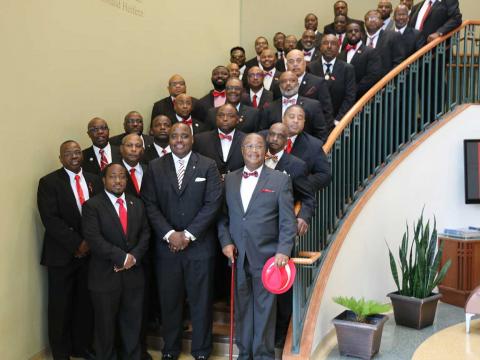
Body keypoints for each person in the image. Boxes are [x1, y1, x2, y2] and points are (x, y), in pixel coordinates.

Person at [141, 123, 223, 360]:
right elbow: (149, 203)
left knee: (201, 302)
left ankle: (201, 350)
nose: (178, 140)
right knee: (169, 303)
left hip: (199, 247)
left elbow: (213, 204)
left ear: (192, 139)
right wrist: (170, 234)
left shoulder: (207, 165)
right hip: (166, 248)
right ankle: (170, 349)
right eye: (174, 136)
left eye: (184, 136)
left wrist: (187, 235)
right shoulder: (155, 167)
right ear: (169, 139)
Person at [218, 133, 297, 360]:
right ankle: (245, 354)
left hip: (268, 258)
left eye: (259, 146)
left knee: (264, 310)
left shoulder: (280, 180)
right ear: (242, 150)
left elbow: (287, 221)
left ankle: (263, 355)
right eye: (249, 146)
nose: (254, 150)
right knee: (242, 309)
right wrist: (225, 242)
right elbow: (223, 217)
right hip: (237, 256)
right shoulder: (230, 180)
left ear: (266, 151)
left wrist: (283, 250)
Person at [37, 140, 102, 360]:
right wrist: (77, 243)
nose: (74, 156)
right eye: (68, 153)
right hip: (61, 256)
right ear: (60, 158)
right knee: (60, 307)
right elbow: (51, 219)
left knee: (85, 305)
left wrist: (90, 242)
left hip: (90, 254)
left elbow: (101, 213)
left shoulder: (94, 179)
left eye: (76, 152)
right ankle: (61, 353)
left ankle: (81, 346)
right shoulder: (48, 182)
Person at [83, 163, 150, 360]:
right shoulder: (92, 206)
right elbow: (94, 239)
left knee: (133, 323)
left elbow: (145, 234)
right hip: (105, 277)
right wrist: (123, 257)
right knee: (105, 326)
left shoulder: (136, 203)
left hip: (133, 276)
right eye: (113, 177)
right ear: (104, 180)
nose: (118, 180)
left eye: (122, 176)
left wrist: (133, 258)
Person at [276, 49, 334, 130]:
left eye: (298, 60)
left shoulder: (318, 83)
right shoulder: (280, 83)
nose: (295, 64)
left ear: (305, 63)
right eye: (291, 61)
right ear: (286, 65)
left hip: (310, 134)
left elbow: (327, 112)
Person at [261, 71, 328, 141]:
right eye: (284, 81)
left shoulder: (313, 105)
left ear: (298, 84)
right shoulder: (269, 108)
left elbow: (321, 134)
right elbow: (263, 134)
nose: (288, 83)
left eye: (292, 81)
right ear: (279, 86)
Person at [309, 34, 357, 126]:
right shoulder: (311, 67)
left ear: (339, 48)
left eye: (333, 44)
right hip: (315, 121)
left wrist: (339, 119)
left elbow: (350, 96)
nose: (329, 46)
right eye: (326, 43)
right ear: (320, 47)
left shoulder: (348, 69)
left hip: (339, 121)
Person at [282, 105, 331, 191]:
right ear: (283, 118)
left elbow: (325, 175)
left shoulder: (313, 145)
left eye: (300, 118)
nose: (296, 121)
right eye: (292, 117)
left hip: (295, 196)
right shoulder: (267, 137)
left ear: (304, 122)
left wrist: (299, 184)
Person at [193, 103, 246, 177]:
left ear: (237, 120)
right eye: (221, 115)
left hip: (238, 185)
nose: (225, 119)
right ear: (216, 118)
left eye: (230, 116)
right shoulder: (200, 140)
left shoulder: (247, 140)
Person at [339, 22, 382, 99]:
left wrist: (353, 90)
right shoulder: (341, 55)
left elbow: (373, 76)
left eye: (356, 31)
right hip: (343, 97)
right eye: (350, 31)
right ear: (346, 34)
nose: (353, 33)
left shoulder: (370, 52)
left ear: (362, 34)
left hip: (363, 97)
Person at [364, 10, 405, 76]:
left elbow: (398, 62)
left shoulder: (393, 36)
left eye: (376, 18)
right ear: (365, 22)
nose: (372, 20)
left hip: (386, 82)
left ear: (381, 22)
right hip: (364, 83)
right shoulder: (360, 38)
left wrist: (389, 80)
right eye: (369, 18)